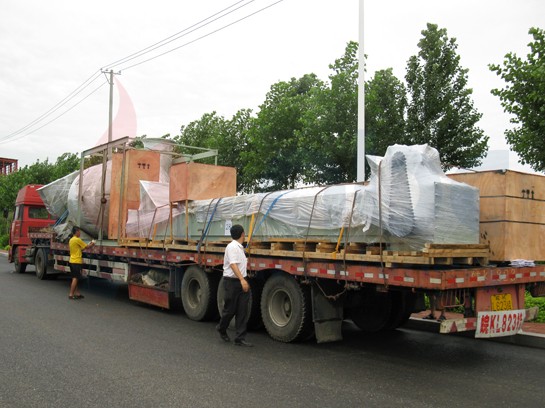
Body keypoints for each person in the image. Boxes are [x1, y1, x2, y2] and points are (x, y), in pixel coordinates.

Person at [216, 224, 253, 347]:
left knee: (242, 310)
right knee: (230, 310)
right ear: (242, 234)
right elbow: (233, 264)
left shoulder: (240, 247)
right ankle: (222, 328)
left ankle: (240, 338)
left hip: (242, 281)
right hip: (232, 282)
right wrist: (242, 280)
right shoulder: (232, 247)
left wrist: (244, 280)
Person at [68, 226, 94, 300]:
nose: (80, 233)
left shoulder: (71, 240)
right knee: (75, 278)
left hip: (72, 260)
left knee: (75, 278)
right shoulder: (77, 240)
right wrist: (92, 243)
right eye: (79, 231)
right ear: (76, 232)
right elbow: (87, 247)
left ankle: (77, 293)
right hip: (76, 261)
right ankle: (71, 294)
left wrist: (85, 247)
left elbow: (79, 249)